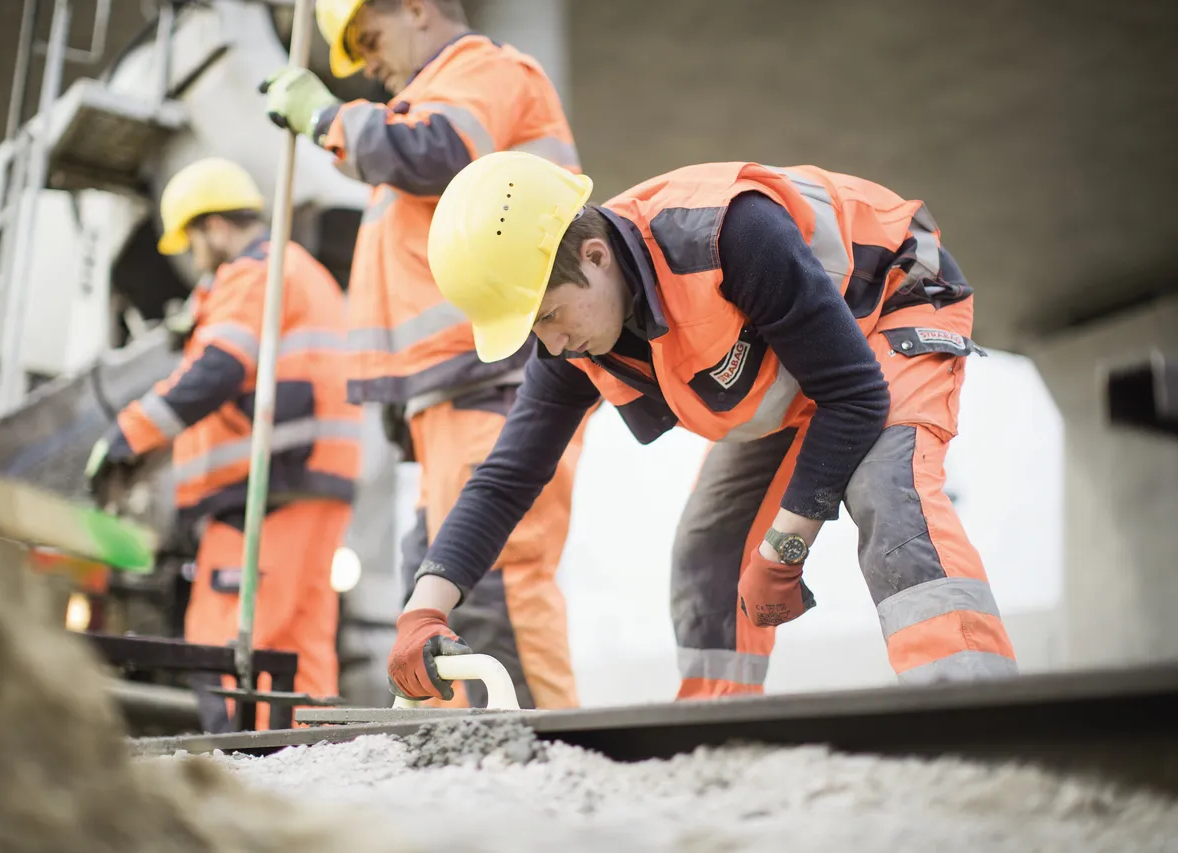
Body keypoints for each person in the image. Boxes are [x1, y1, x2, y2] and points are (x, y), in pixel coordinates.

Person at [387, 149, 1021, 703]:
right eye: (534, 331)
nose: (552, 345)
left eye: (550, 315)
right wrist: (423, 613)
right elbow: (505, 479)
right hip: (808, 363)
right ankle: (718, 730)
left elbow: (854, 396)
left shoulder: (730, 234)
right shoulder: (572, 344)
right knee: (710, 546)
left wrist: (786, 545)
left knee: (887, 491)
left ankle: (968, 698)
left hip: (892, 298)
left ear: (596, 254)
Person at [257, 0, 588, 709]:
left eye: (369, 38)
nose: (367, 64)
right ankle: (457, 760)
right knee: (434, 593)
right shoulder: (427, 100)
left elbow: (434, 153)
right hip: (453, 393)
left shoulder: (485, 72)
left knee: (496, 580)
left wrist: (326, 118)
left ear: (415, 8)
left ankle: (544, 757)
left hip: (496, 381)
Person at [84, 157, 362, 730]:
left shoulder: (252, 273)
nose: (192, 257)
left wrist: (126, 439)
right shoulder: (298, 270)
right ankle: (309, 778)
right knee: (298, 656)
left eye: (190, 241)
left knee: (223, 647)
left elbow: (217, 369)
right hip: (311, 484)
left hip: (263, 495)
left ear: (212, 226)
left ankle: (241, 777)